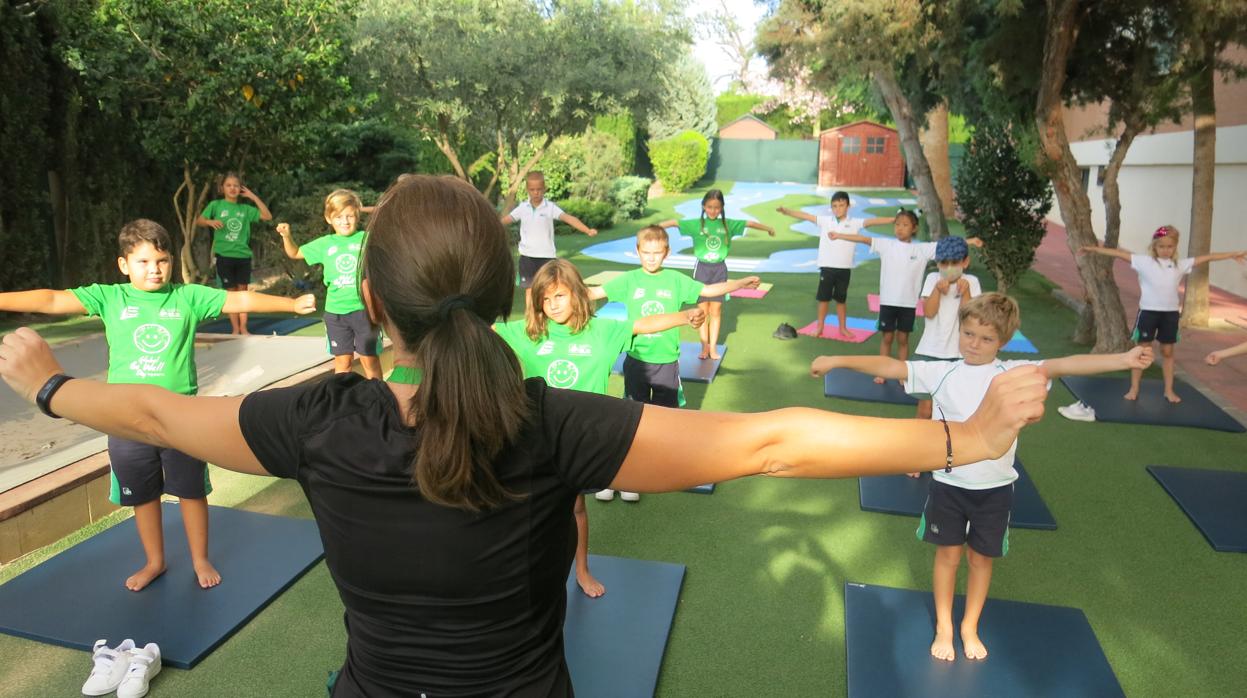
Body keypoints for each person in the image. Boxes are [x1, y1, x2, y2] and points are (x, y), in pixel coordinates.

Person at [0, 176, 1049, 696]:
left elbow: (148, 409)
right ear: (508, 293)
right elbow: (769, 443)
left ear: (369, 298)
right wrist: (960, 440)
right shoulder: (549, 423)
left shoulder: (313, 416)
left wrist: (47, 384)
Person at [811, 292, 1152, 663]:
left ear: (1003, 342)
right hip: (948, 486)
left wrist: (1124, 358)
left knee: (981, 560)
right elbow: (891, 366)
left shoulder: (1014, 374)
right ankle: (944, 624)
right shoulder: (942, 372)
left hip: (995, 489)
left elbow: (1066, 364)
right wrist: (836, 359)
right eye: (969, 334)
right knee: (948, 557)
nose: (974, 344)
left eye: (986, 338)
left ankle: (969, 626)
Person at [0, 219, 315, 592]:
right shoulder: (109, 297)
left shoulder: (186, 297)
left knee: (191, 491)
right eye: (144, 262)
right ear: (124, 264)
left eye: (162, 261)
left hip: (180, 419)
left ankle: (200, 558)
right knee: (143, 495)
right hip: (125, 422)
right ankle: (155, 561)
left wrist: (291, 304)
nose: (154, 270)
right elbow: (51, 299)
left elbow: (238, 299)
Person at [496, 259, 705, 597]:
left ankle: (581, 569)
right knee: (528, 510)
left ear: (578, 295)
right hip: (537, 440)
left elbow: (644, 324)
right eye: (545, 300)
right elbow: (481, 332)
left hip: (581, 440)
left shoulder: (603, 332)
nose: (552, 306)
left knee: (576, 508)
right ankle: (523, 570)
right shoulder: (528, 333)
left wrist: (684, 316)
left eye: (560, 296)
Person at [587, 225, 762, 501]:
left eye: (657, 253)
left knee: (668, 417)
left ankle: (662, 465)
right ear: (637, 251)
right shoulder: (628, 280)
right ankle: (627, 475)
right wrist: (556, 295)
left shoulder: (676, 280)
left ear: (666, 253)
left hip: (667, 361)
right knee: (633, 415)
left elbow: (709, 289)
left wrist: (739, 283)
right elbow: (593, 294)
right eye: (646, 253)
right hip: (636, 360)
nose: (651, 258)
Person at [1079, 225, 1246, 403]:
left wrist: (1231, 255)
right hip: (1148, 313)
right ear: (1154, 246)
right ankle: (1134, 389)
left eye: (1170, 246)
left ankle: (1168, 390)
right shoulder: (1143, 262)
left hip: (1170, 315)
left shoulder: (1180, 265)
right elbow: (1119, 253)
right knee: (1141, 351)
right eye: (1162, 246)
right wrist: (1093, 249)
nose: (1166, 250)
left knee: (1167, 351)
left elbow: (1208, 258)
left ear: (1175, 247)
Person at [831, 211, 982, 383]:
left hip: (908, 304)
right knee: (887, 337)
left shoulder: (922, 249)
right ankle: (882, 372)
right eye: (897, 224)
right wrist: (839, 235)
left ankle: (902, 374)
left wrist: (971, 241)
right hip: (888, 301)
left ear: (914, 228)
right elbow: (865, 240)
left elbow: (947, 246)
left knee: (903, 339)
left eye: (905, 225)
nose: (900, 228)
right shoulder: (887, 245)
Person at [277, 189, 382, 379]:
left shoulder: (366, 239)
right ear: (329, 219)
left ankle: (379, 400)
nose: (345, 221)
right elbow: (294, 253)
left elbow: (387, 219)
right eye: (339, 217)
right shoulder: (325, 244)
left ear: (357, 215)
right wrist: (286, 236)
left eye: (350, 215)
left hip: (364, 312)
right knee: (343, 362)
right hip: (336, 314)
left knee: (370, 360)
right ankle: (341, 401)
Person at [658, 189, 775, 359]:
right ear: (703, 206)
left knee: (716, 310)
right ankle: (704, 347)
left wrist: (769, 228)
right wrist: (654, 228)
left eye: (717, 207)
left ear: (722, 208)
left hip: (719, 270)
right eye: (709, 207)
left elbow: (749, 223)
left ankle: (713, 348)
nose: (713, 210)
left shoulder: (728, 225)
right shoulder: (696, 224)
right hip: (702, 270)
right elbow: (675, 223)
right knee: (702, 311)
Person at [777, 191, 896, 340]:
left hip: (844, 269)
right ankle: (820, 327)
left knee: (841, 300)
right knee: (824, 299)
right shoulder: (825, 221)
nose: (838, 209)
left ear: (848, 206)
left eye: (841, 205)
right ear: (831, 208)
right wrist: (786, 211)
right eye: (834, 206)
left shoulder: (855, 222)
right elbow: (805, 216)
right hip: (827, 267)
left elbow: (872, 222)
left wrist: (893, 219)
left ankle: (843, 328)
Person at [499, 171, 598, 308]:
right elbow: (505, 220)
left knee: (548, 290)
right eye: (532, 190)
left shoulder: (550, 208)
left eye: (539, 189)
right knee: (530, 290)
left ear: (544, 189)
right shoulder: (523, 208)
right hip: (527, 257)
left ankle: (547, 316)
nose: (536, 193)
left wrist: (587, 230)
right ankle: (530, 320)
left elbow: (568, 218)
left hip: (546, 257)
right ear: (527, 190)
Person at [912, 236, 982, 420]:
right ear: (937, 263)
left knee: (951, 408)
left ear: (965, 262)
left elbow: (970, 320)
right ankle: (918, 445)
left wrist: (965, 292)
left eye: (954, 262)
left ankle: (945, 445)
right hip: (930, 351)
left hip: (958, 354)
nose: (949, 267)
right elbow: (928, 312)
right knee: (925, 410)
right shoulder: (932, 278)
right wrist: (937, 291)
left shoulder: (972, 282)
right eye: (944, 263)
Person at [195, 172, 273, 334]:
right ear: (222, 188)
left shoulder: (245, 209)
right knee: (230, 294)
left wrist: (253, 197)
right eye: (228, 185)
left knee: (242, 292)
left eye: (236, 185)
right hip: (224, 256)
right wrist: (210, 221)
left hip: (243, 256)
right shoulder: (216, 205)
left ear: (241, 188)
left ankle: (244, 328)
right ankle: (235, 329)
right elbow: (199, 221)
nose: (232, 188)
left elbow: (267, 216)